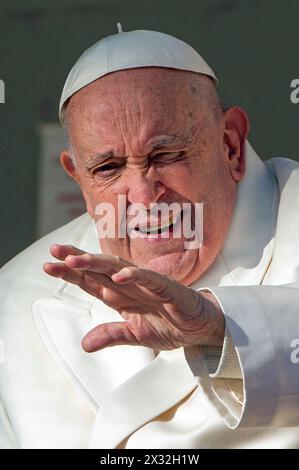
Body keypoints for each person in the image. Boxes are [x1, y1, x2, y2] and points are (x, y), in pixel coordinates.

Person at [0, 28, 299, 449]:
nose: (143, 197)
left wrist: (220, 328)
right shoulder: (14, 295)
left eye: (165, 156)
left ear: (230, 144)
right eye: (108, 168)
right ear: (77, 176)